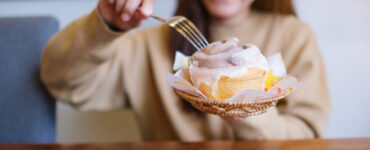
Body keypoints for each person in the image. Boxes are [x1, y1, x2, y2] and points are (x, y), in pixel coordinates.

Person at [41, 0, 331, 141]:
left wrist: (246, 110)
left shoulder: (294, 36)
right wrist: (105, 25)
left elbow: (308, 137)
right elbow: (63, 84)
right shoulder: (148, 45)